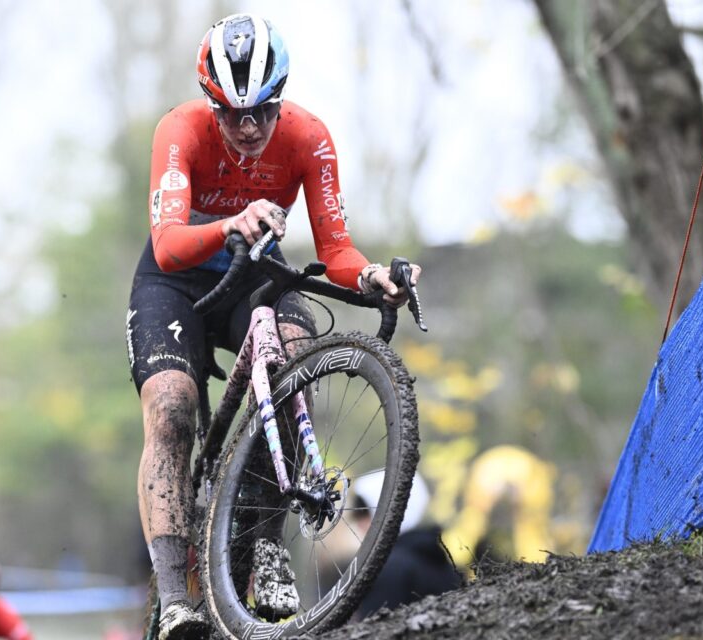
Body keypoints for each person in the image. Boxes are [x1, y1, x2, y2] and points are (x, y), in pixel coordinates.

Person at [125, 13, 422, 637]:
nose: (250, 126)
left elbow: (336, 249)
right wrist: (230, 224)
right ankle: (175, 593)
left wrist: (368, 276)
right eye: (233, 113)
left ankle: (264, 540)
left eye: (263, 109)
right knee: (173, 408)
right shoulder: (179, 131)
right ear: (212, 104)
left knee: (295, 354)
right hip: (174, 278)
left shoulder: (309, 137)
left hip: (256, 268)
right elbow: (170, 241)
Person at [350, 472, 462, 619]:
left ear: (390, 511)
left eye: (365, 511)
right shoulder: (438, 558)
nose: (359, 523)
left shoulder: (388, 567)